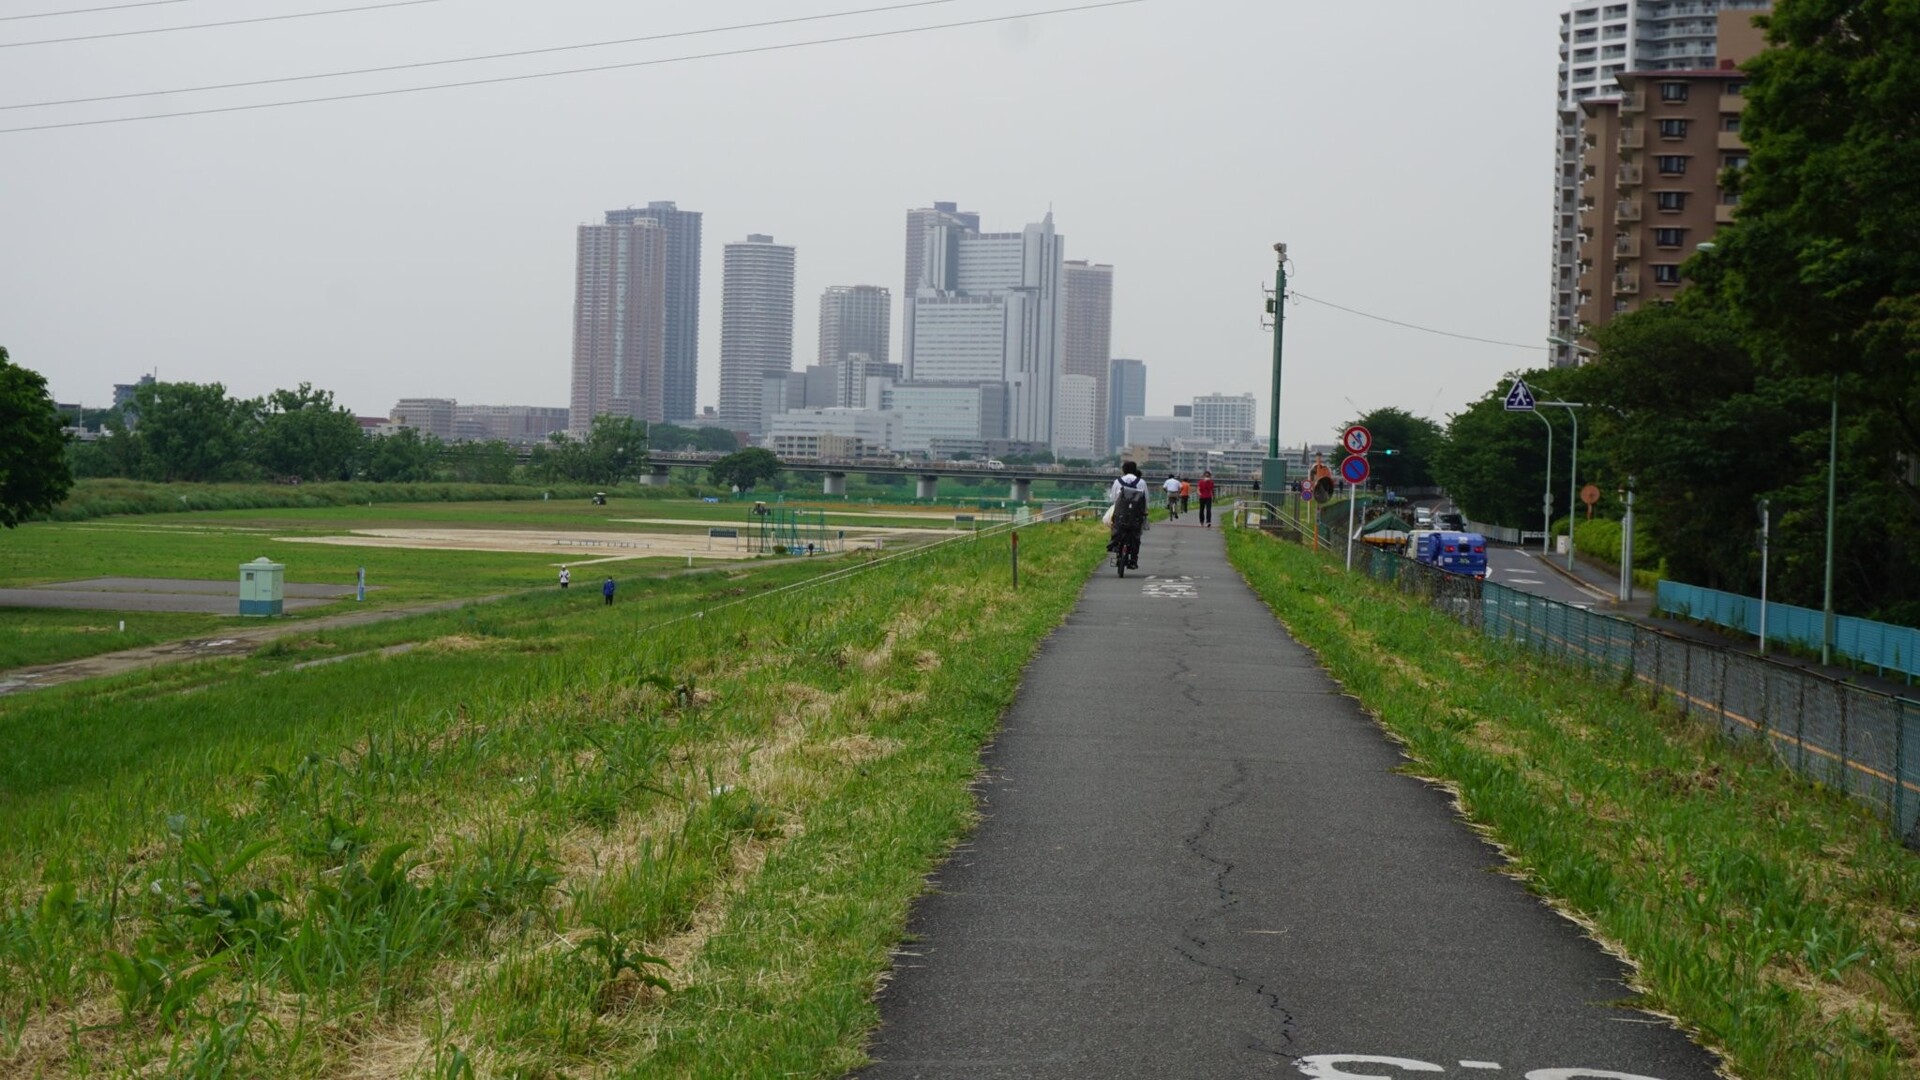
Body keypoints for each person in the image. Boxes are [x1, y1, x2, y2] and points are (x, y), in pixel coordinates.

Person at [1107, 460, 1149, 569]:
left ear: (1123, 470)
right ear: (1135, 470)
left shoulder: (1117, 481)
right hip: (1135, 516)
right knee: (1136, 536)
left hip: (1121, 514)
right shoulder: (1141, 482)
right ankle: (1133, 559)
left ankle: (1115, 546)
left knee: (1116, 528)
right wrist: (1144, 512)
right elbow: (1146, 500)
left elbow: (1113, 499)